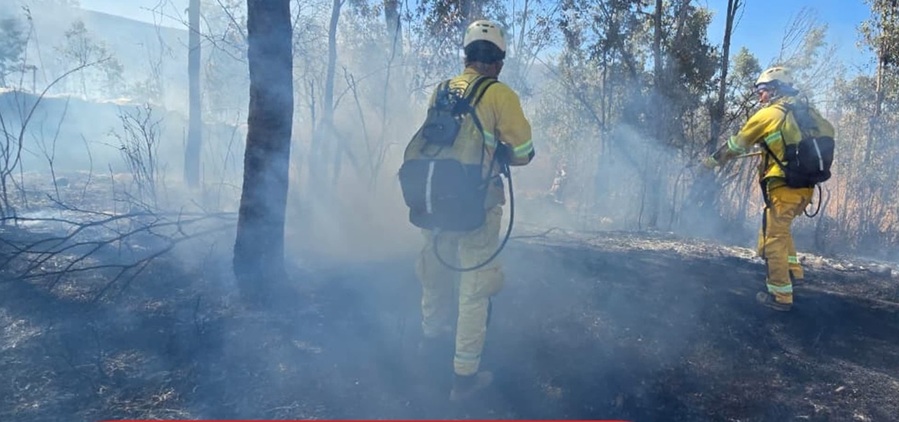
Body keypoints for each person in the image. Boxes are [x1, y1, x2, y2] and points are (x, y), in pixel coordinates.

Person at [414, 19, 535, 400]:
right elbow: (524, 153)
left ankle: (429, 345)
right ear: (498, 61)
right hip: (476, 207)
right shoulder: (501, 95)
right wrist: (501, 151)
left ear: (466, 57)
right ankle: (463, 379)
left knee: (434, 271)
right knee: (474, 287)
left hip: (434, 200)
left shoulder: (442, 89)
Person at [702, 66, 834, 312]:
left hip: (783, 188)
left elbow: (736, 145)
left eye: (762, 91)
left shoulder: (769, 115)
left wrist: (709, 163)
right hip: (805, 189)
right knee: (782, 231)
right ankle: (794, 273)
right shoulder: (809, 114)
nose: (759, 97)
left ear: (774, 90)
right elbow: (826, 133)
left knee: (773, 238)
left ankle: (780, 295)